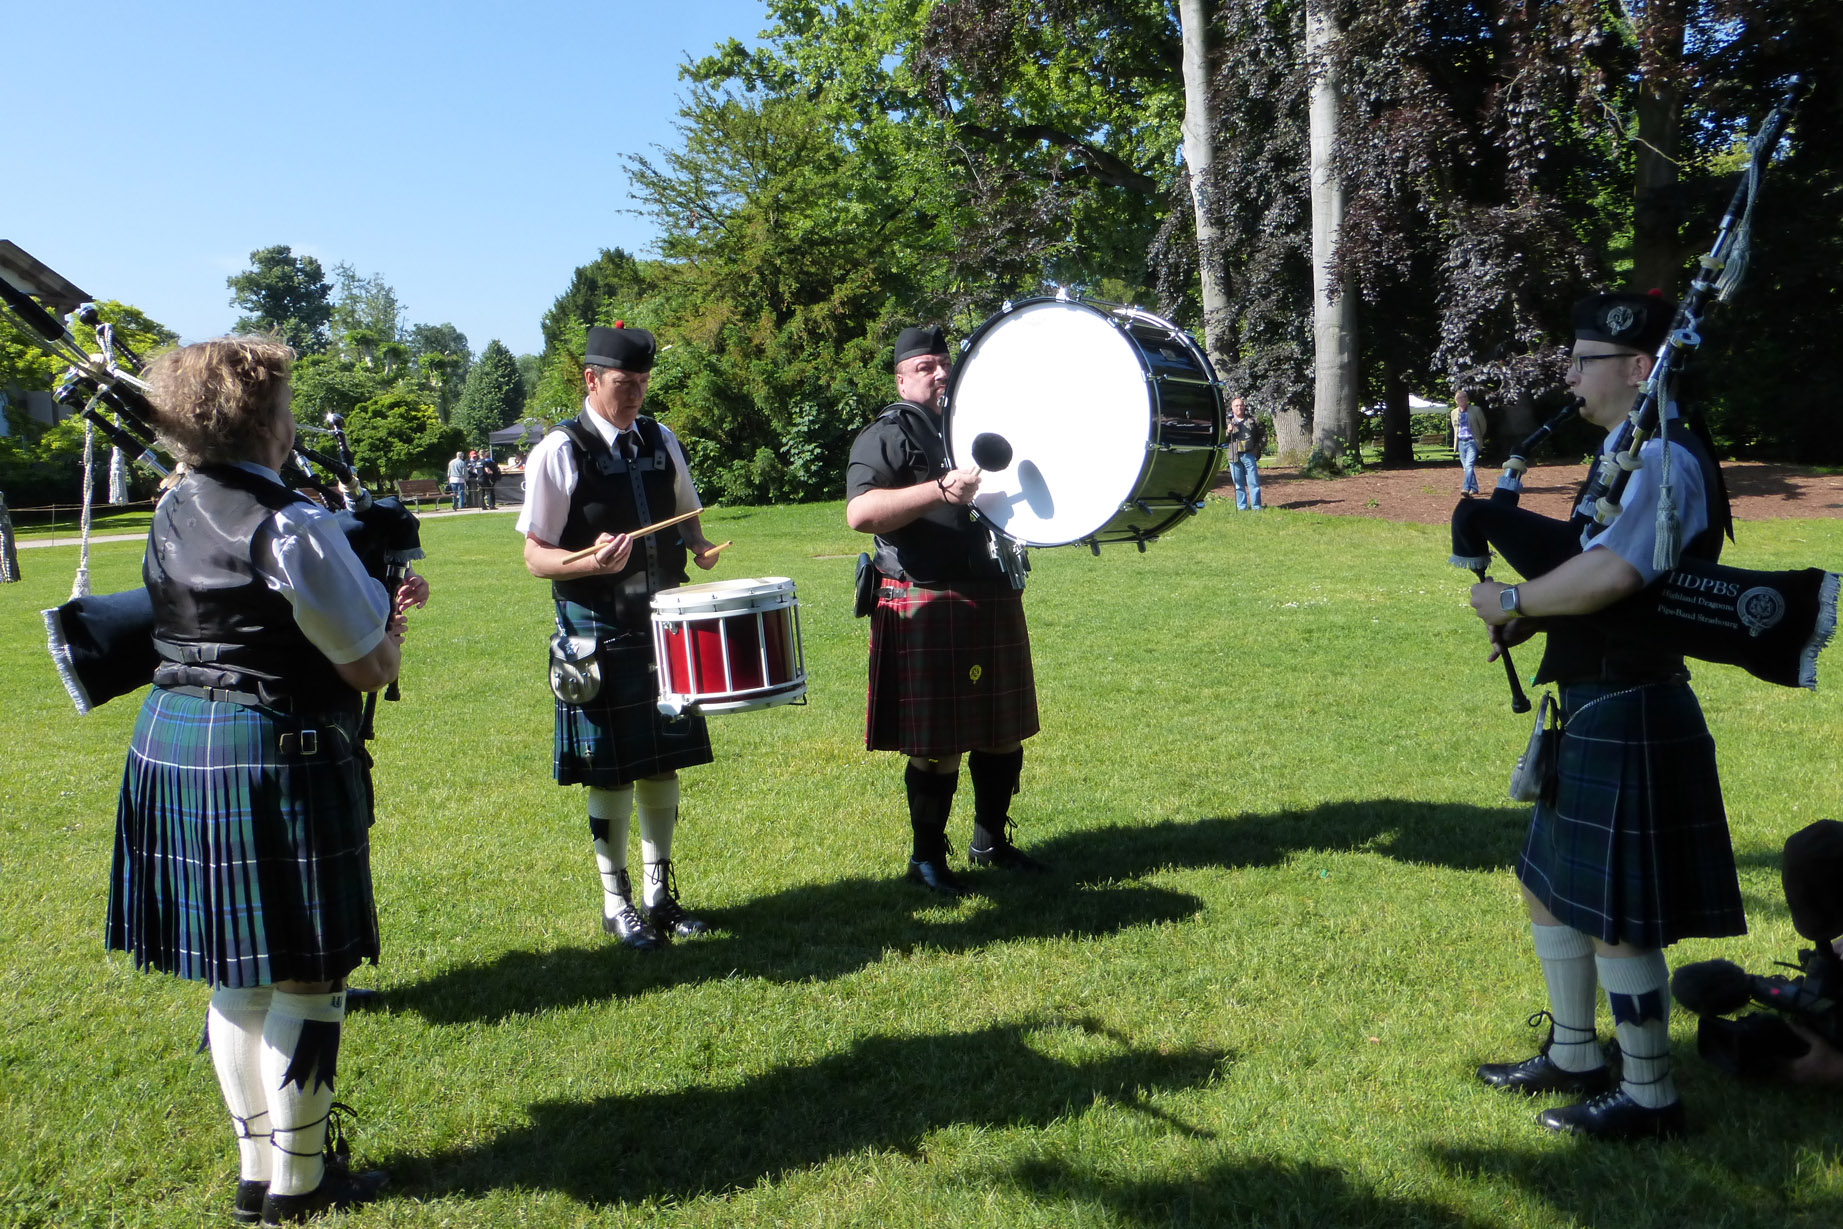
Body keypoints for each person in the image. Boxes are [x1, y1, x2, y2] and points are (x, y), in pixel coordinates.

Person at [105, 336, 429, 1224]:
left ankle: (260, 1171)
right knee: (309, 976)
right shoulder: (289, 523)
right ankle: (301, 1180)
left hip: (174, 735)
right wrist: (392, 622)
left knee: (237, 972)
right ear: (265, 419)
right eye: (285, 404)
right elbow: (365, 665)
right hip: (269, 747)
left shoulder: (172, 507)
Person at [1467, 291, 1743, 1141]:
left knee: (1616, 918)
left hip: (1633, 703)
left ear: (1638, 368)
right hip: (1596, 702)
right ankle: (1577, 1051)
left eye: (1585, 360)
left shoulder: (1667, 458)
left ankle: (1651, 1096)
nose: (1570, 375)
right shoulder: (1630, 454)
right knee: (1548, 888)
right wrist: (1533, 614)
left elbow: (1617, 574)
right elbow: (1591, 564)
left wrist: (1513, 593)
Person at [517, 324, 723, 948]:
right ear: (590, 379)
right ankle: (616, 901)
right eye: (621, 384)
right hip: (599, 629)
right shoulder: (560, 450)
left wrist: (701, 546)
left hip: (666, 624)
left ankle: (661, 897)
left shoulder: (661, 439)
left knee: (662, 764)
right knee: (610, 773)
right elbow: (535, 556)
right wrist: (589, 562)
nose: (634, 394)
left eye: (641, 383)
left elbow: (686, 516)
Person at [845, 324, 1047, 897]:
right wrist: (939, 490)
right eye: (926, 366)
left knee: (1001, 731)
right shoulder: (887, 435)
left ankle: (991, 841)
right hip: (926, 596)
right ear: (902, 376)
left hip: (989, 588)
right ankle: (927, 857)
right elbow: (861, 513)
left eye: (944, 363)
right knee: (936, 746)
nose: (939, 374)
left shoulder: (977, 424)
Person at [1225, 396, 1263, 511]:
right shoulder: (1227, 422)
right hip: (1234, 455)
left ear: (1244, 407)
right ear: (1232, 408)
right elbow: (1221, 439)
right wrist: (1227, 431)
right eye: (1236, 406)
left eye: (1241, 405)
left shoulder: (1252, 421)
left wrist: (1257, 448)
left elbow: (1262, 435)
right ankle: (1241, 507)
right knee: (1238, 484)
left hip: (1249, 455)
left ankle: (1256, 507)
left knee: (1253, 482)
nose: (1239, 408)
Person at [1452, 388, 1486, 496]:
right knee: (1466, 467)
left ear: (1467, 399)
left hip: (1472, 441)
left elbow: (1483, 426)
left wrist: (1478, 437)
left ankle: (1466, 488)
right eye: (1459, 398)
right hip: (1461, 442)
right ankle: (1474, 488)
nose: (1461, 399)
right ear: (1456, 400)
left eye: (1463, 397)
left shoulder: (1476, 410)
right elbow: (1455, 428)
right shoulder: (1453, 413)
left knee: (1469, 465)